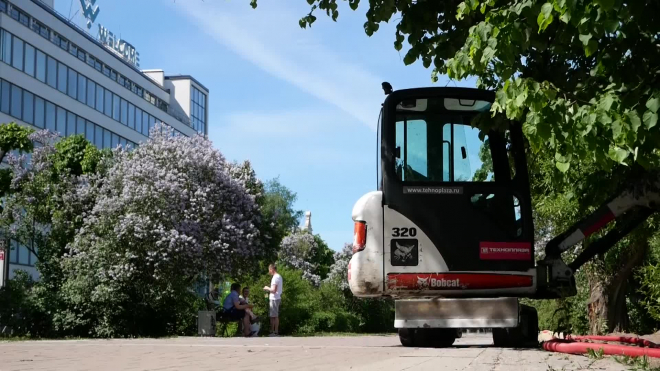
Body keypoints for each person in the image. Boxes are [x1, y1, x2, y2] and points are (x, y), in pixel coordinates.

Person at [263, 263, 283, 337]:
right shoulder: (279, 276)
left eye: (269, 270)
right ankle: (274, 331)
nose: (269, 272)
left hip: (274, 298)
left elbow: (274, 290)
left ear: (272, 269)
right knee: (274, 315)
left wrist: (266, 288)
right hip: (276, 297)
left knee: (274, 316)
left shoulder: (275, 277)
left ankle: (274, 332)